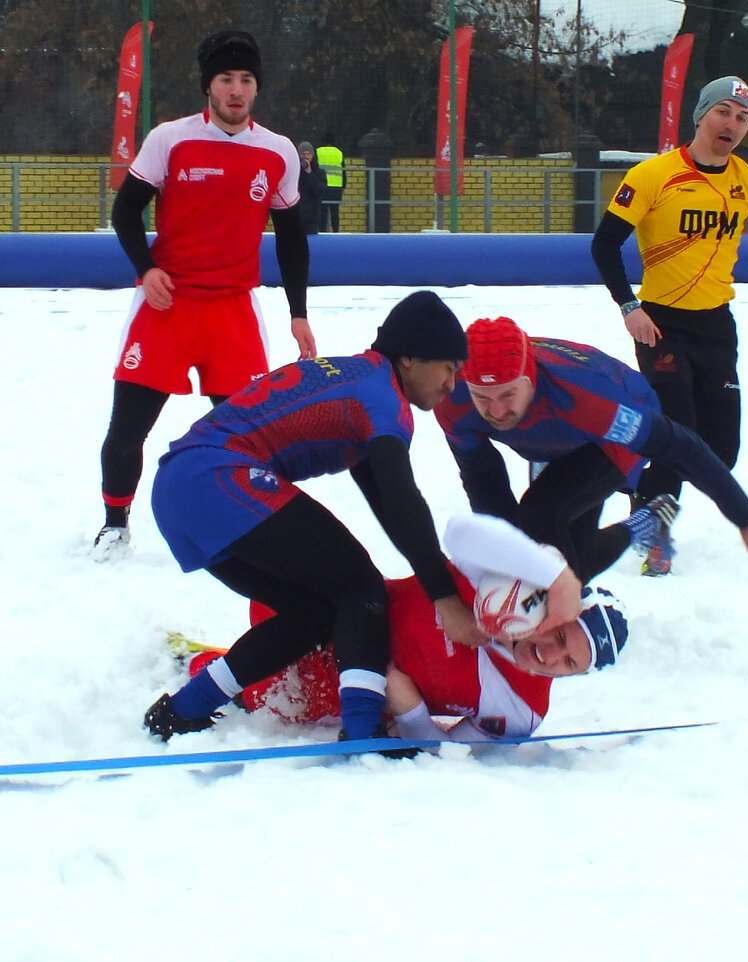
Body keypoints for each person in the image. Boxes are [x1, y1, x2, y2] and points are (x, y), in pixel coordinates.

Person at [142, 291, 487, 747]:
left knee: (314, 611)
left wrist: (432, 575)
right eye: (449, 367)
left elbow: (388, 506)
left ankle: (182, 711)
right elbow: (404, 502)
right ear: (409, 357)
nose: (452, 385)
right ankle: (363, 734)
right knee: (359, 585)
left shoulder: (360, 379)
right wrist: (444, 597)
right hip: (216, 476)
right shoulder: (383, 400)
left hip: (180, 487)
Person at [94, 30, 317, 560]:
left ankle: (241, 524)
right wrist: (146, 270)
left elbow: (291, 238)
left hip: (232, 311)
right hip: (167, 306)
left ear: (256, 89)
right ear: (209, 87)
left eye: (245, 81)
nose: (236, 90)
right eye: (226, 80)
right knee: (128, 429)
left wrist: (299, 313)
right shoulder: (170, 138)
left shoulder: (278, 151)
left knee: (246, 436)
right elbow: (126, 211)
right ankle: (114, 525)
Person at [591, 75, 748, 574]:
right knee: (679, 431)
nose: (731, 125)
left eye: (742, 118)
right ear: (700, 116)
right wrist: (630, 307)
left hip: (716, 327)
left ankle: (642, 487)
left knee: (721, 450)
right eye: (723, 113)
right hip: (661, 326)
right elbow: (604, 244)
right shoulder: (653, 176)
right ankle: (654, 535)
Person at [180, 513, 628, 745]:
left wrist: (412, 711)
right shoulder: (507, 584)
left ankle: (205, 665)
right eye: (563, 636)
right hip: (330, 609)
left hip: (342, 688)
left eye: (569, 663)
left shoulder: (522, 711)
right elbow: (458, 531)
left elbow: (445, 755)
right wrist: (553, 574)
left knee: (263, 697)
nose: (550, 655)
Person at [434, 315, 748, 584]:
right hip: (553, 440)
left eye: (508, 394)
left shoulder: (586, 397)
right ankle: (645, 522)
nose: (496, 411)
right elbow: (483, 481)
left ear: (531, 379)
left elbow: (680, 446)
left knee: (541, 521)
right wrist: (506, 562)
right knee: (571, 559)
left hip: (608, 435)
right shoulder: (451, 398)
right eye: (483, 398)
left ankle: (560, 631)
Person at [316, 133, 344, 232]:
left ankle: (322, 231)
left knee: (323, 211)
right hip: (336, 186)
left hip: (323, 185)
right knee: (334, 211)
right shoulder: (339, 152)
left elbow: (315, 168)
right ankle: (336, 231)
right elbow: (343, 170)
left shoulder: (318, 152)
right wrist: (343, 186)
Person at [296, 140, 325, 235]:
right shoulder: (294, 172)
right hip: (296, 216)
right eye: (303, 154)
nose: (306, 157)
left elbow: (319, 191)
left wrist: (309, 173)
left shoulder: (319, 173)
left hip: (312, 218)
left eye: (309, 154)